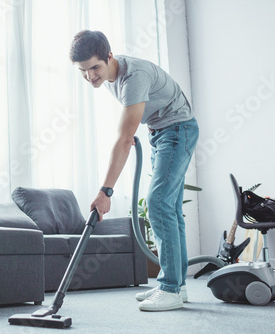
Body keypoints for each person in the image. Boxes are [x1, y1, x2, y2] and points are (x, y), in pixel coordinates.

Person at [69, 30, 199, 312]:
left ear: (109, 57)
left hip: (177, 130)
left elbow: (124, 139)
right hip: (162, 133)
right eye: (83, 71)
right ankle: (179, 286)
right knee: (171, 209)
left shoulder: (134, 76)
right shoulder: (106, 77)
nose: (90, 76)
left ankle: (170, 288)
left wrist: (105, 191)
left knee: (158, 203)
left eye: (95, 68)